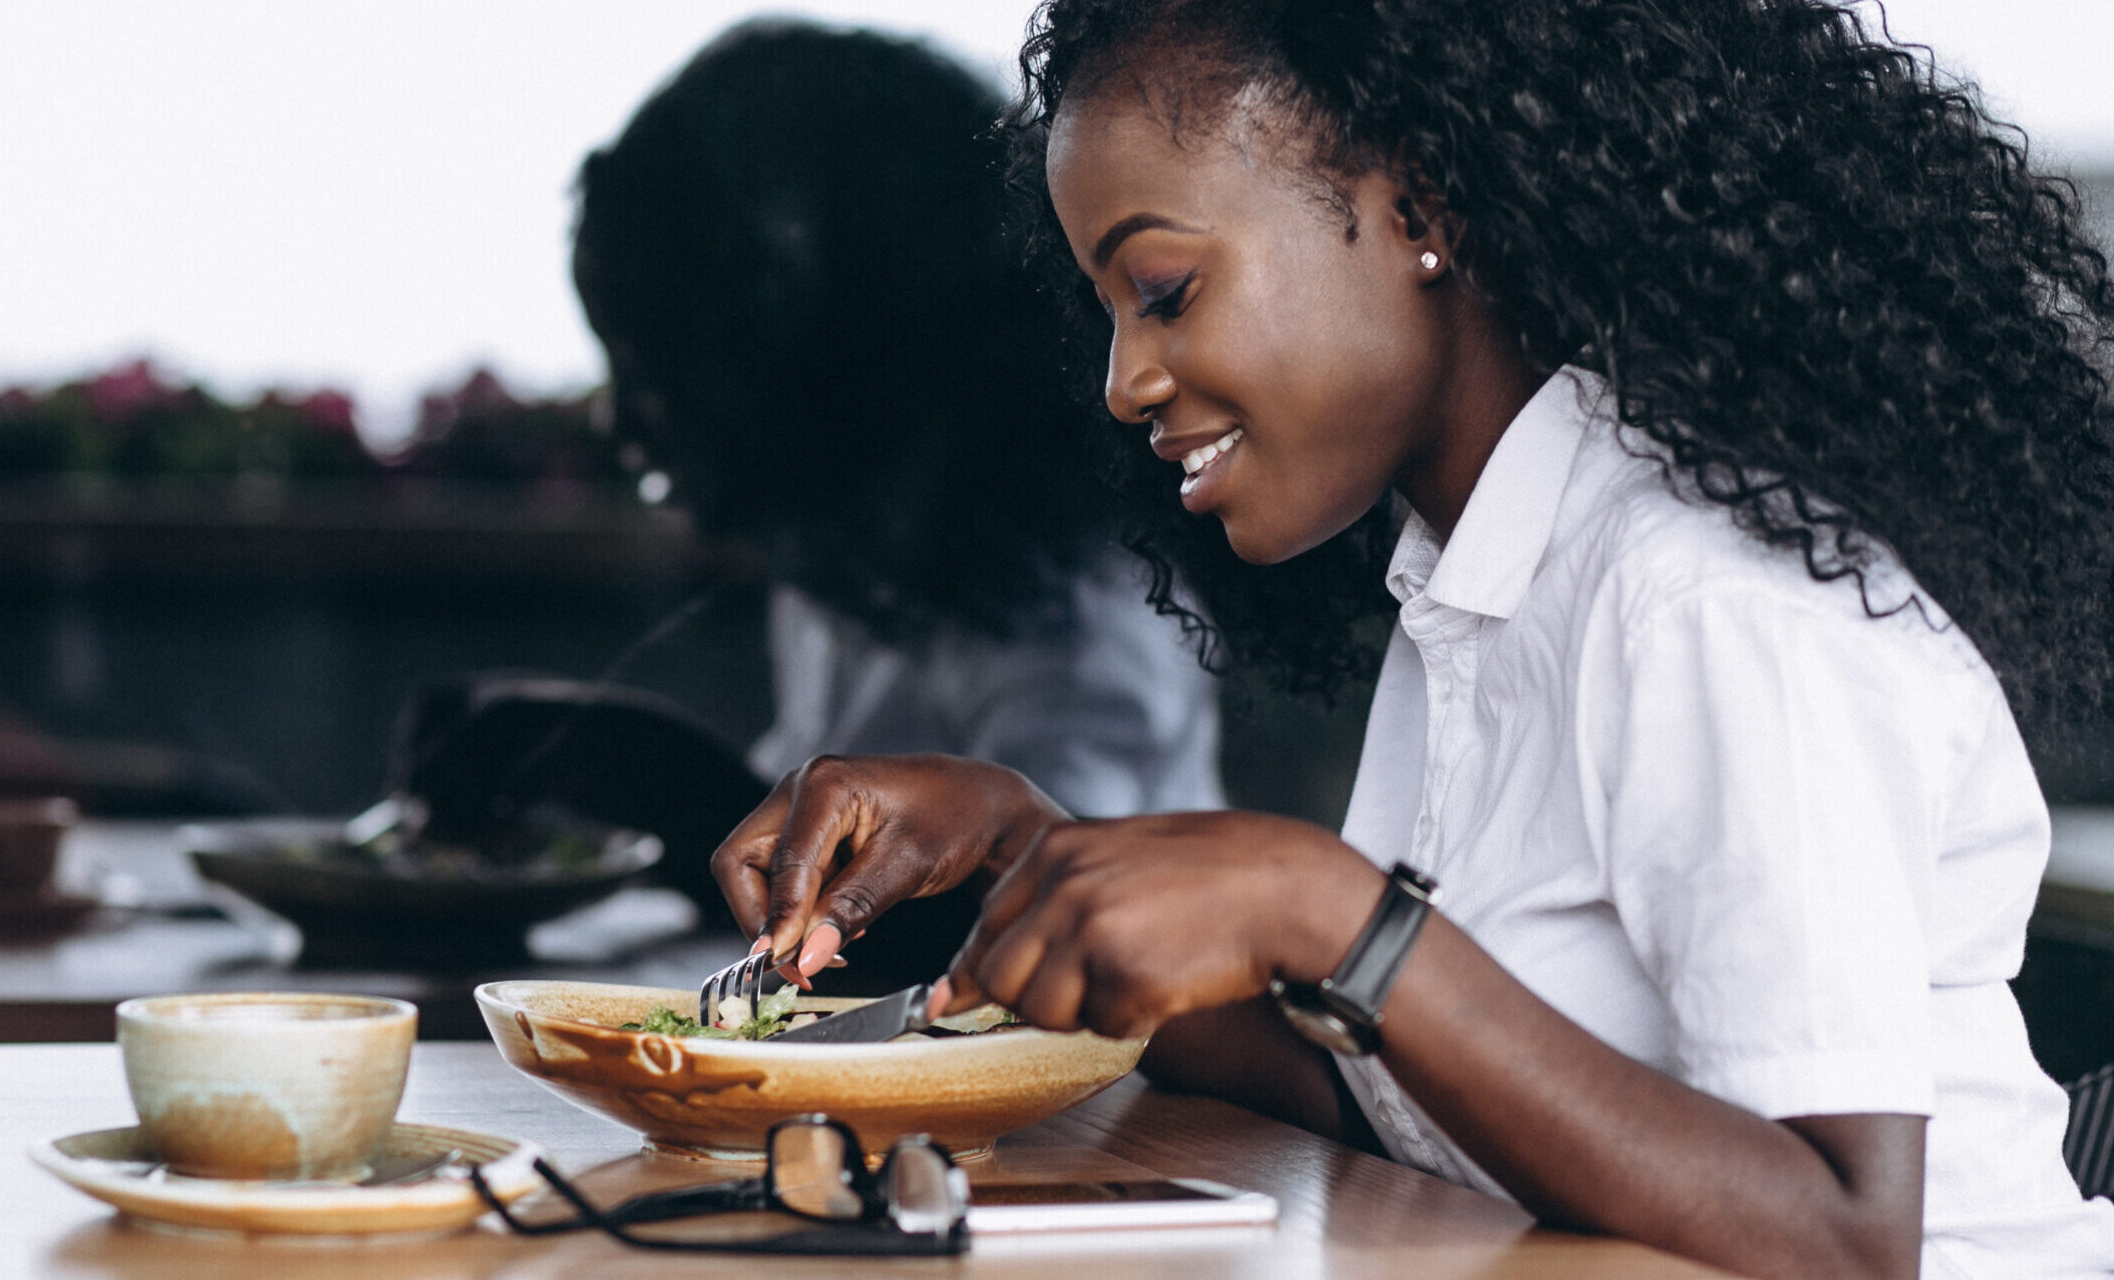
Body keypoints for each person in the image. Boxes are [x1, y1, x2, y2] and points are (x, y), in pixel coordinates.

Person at [709, 2, 2114, 1277]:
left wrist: (1331, 915)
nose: (1125, 381)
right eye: (1105, 315)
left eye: (1166, 292)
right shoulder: (1475, 583)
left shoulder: (1708, 603)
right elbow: (1413, 1109)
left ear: (1422, 208)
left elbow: (1845, 1237)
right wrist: (1029, 860)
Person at [565, 21, 1226, 975]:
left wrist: (680, 789)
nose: (626, 420)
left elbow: (1072, 936)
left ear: (806, 357)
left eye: (657, 364)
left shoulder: (1085, 615)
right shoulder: (846, 572)